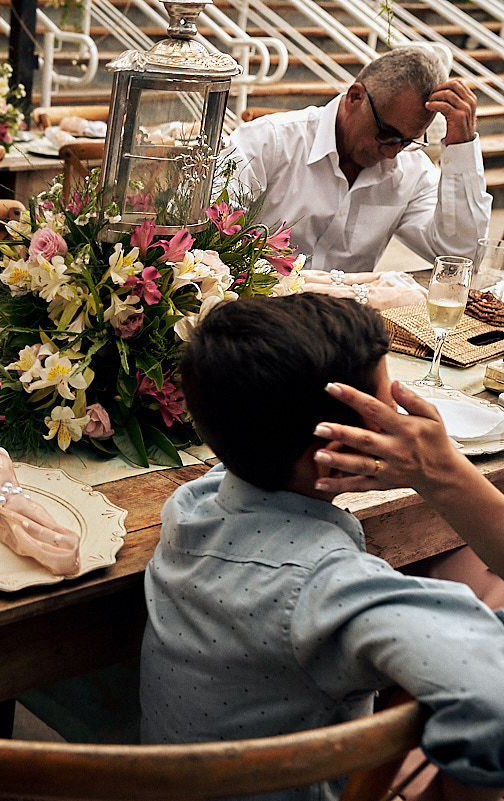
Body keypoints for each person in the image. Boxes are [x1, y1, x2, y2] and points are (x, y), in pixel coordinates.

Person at [141, 293, 504, 801]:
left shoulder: (194, 501)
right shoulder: (328, 590)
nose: (404, 425)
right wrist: (444, 470)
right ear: (333, 458)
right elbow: (496, 701)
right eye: (388, 412)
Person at [223, 47, 491, 273]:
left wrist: (462, 148)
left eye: (408, 141)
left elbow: (461, 260)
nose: (392, 152)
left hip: (348, 328)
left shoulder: (413, 170)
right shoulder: (267, 141)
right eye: (387, 134)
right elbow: (209, 245)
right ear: (354, 97)